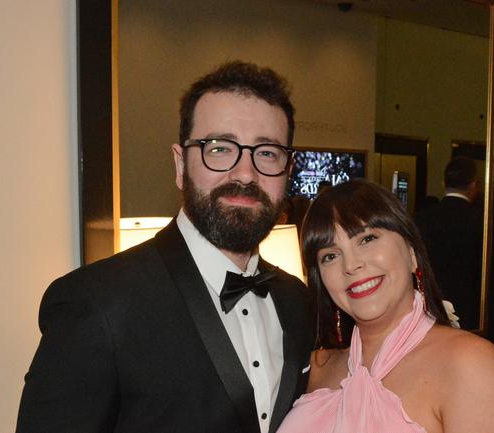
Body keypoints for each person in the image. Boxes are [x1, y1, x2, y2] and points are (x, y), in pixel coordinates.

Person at [16, 61, 314, 433]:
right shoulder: (96, 303)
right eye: (219, 149)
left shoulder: (297, 302)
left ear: (288, 170)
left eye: (267, 153)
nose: (245, 173)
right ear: (179, 165)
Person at [278, 180, 494, 433]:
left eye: (367, 239)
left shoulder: (469, 365)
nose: (351, 265)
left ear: (411, 254)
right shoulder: (314, 369)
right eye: (330, 256)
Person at [415, 156, 483, 329]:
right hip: (472, 307)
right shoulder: (482, 222)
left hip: (431, 305)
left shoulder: (423, 218)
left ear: (443, 183)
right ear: (473, 185)